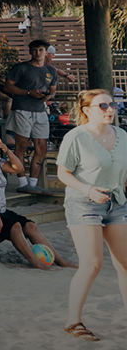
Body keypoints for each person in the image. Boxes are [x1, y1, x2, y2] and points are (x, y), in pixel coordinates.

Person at [57, 89, 127, 341]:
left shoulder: (122, 136)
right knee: (92, 263)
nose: (110, 109)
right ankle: (72, 322)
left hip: (117, 204)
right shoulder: (76, 137)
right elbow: (63, 173)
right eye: (103, 106)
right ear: (86, 110)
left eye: (112, 105)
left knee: (125, 265)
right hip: (83, 204)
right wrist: (88, 189)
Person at [0, 130, 72, 271]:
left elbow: (17, 168)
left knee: (31, 227)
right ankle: (35, 262)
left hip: (0, 209)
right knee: (15, 226)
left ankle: (61, 261)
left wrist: (8, 151)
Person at [3, 40, 57, 191]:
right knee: (21, 146)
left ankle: (33, 184)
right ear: (30, 51)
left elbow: (52, 90)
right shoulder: (21, 68)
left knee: (41, 148)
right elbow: (7, 86)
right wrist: (28, 92)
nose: (38, 53)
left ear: (46, 52)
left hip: (40, 110)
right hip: (22, 109)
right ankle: (22, 183)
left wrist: (48, 96)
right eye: (34, 50)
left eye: (40, 50)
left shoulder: (51, 71)